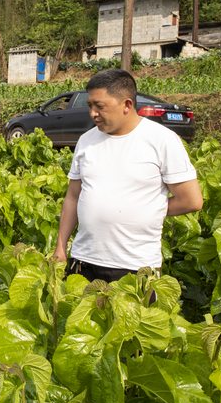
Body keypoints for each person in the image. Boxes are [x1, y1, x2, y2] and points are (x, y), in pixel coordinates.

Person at [53, 69, 203, 282]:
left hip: (136, 266)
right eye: (90, 106)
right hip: (84, 261)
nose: (93, 113)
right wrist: (60, 247)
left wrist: (148, 209)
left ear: (127, 105)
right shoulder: (86, 141)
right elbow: (73, 197)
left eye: (100, 106)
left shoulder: (161, 140)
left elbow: (192, 201)